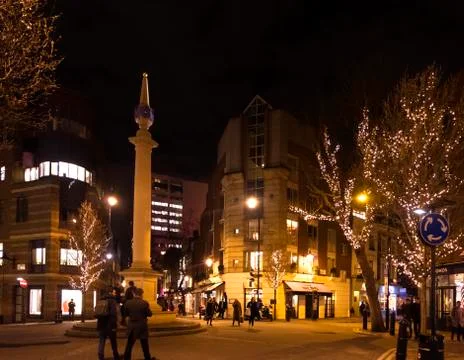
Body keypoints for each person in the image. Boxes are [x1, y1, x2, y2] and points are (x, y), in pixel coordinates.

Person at [123, 288, 155, 360]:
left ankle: (126, 358)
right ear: (141, 294)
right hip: (142, 325)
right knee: (144, 344)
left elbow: (125, 314)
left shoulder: (128, 303)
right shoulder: (144, 303)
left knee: (129, 344)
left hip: (132, 326)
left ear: (134, 294)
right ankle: (147, 357)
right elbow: (149, 314)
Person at [97, 286, 120, 360]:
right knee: (113, 341)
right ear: (111, 292)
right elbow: (113, 314)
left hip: (101, 324)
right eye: (114, 291)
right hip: (110, 324)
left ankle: (100, 356)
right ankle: (116, 355)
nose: (115, 293)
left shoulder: (100, 299)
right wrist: (114, 326)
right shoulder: (112, 300)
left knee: (101, 341)